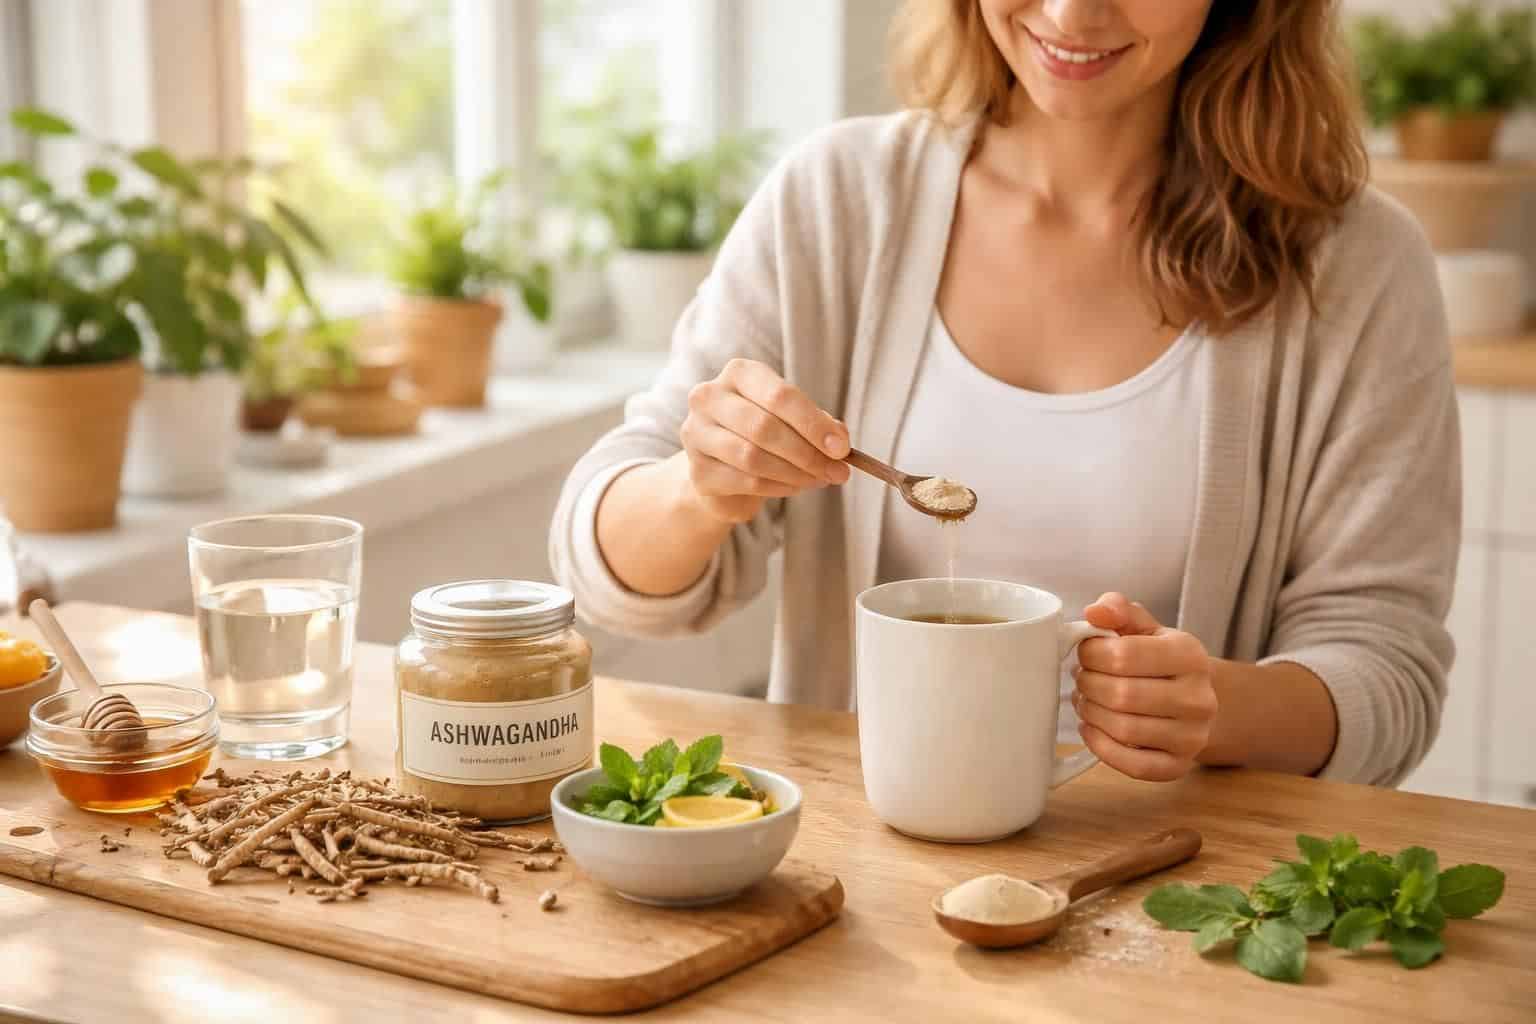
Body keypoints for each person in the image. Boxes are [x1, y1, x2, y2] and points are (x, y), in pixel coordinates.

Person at [549, 0, 1459, 788]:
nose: (1071, 16)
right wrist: (697, 489)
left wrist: (1218, 709)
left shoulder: (1356, 268)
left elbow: (1387, 669)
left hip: (1188, 893)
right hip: (867, 869)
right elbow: (609, 575)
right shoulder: (838, 203)